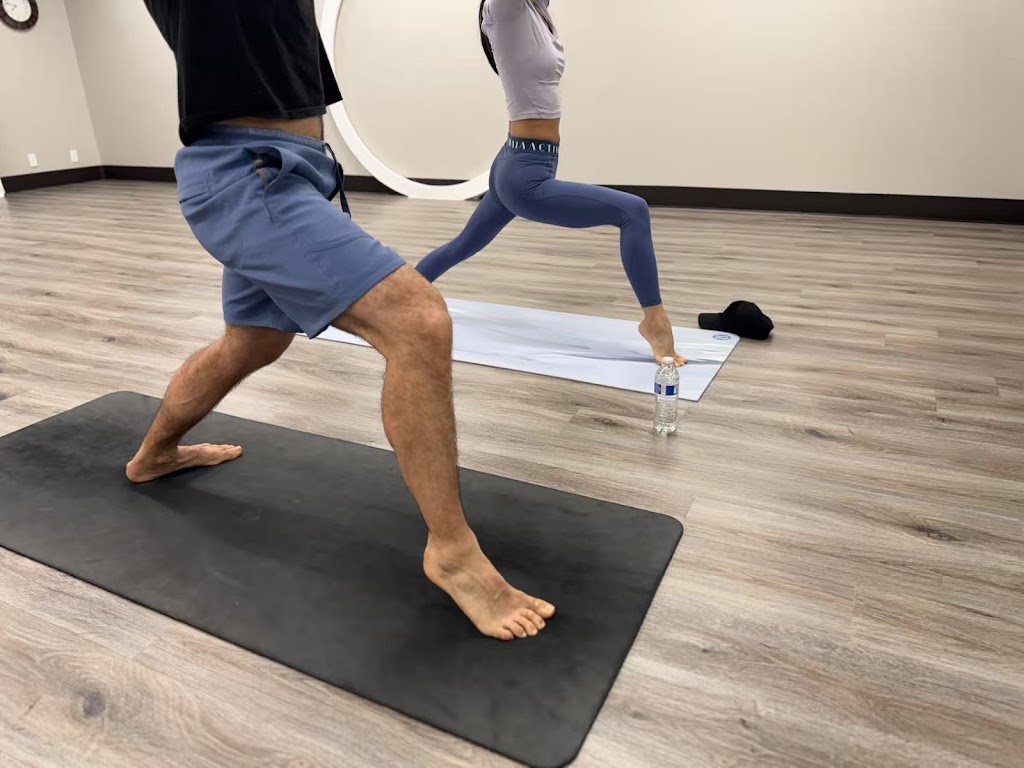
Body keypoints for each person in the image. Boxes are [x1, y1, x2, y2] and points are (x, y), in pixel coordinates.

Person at [131, 0, 554, 641]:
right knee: (418, 322)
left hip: (292, 171)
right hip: (246, 175)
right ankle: (452, 552)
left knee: (253, 342)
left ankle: (154, 455)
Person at [416, 0, 686, 366]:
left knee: (462, 246)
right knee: (633, 211)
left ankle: (396, 297)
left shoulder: (536, 9)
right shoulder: (506, 9)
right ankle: (655, 322)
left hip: (516, 157)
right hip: (523, 176)